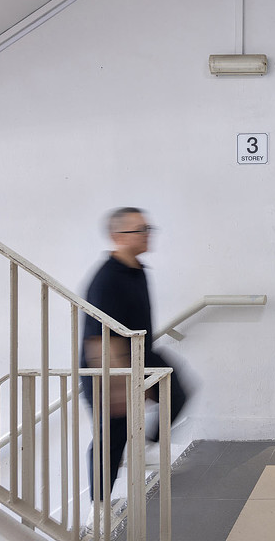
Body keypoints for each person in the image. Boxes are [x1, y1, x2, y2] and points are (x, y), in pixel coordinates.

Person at [80, 207, 188, 506]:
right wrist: (117, 388)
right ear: (117, 236)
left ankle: (148, 448)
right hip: (106, 365)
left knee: (175, 392)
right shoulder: (106, 280)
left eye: (147, 229)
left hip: (139, 356)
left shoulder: (136, 269)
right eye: (139, 230)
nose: (147, 235)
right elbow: (97, 338)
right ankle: (98, 507)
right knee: (111, 438)